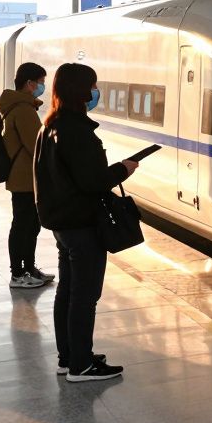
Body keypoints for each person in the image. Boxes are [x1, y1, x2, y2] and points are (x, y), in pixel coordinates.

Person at [35, 63, 137, 382]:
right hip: (82, 224)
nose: (96, 92)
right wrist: (123, 169)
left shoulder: (50, 125)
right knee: (84, 296)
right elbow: (92, 181)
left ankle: (70, 357)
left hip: (63, 224)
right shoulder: (76, 130)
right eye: (93, 86)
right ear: (81, 91)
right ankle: (81, 366)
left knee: (68, 291)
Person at [0, 62, 52, 289]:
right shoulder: (23, 109)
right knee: (23, 225)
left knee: (29, 225)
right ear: (29, 83)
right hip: (25, 179)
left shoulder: (17, 107)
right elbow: (35, 146)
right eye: (40, 82)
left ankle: (29, 268)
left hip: (23, 178)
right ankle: (18, 274)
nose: (42, 86)